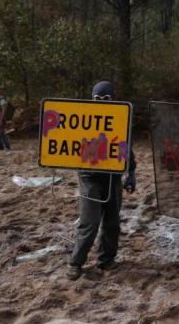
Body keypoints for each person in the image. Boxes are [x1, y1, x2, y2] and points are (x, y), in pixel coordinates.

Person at [67, 81, 136, 280]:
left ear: (113, 98)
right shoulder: (83, 119)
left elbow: (126, 149)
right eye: (98, 98)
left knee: (112, 222)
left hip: (113, 178)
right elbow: (70, 145)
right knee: (90, 222)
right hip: (90, 179)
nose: (102, 102)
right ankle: (76, 262)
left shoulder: (121, 119)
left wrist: (131, 174)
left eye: (106, 98)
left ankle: (107, 259)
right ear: (92, 98)